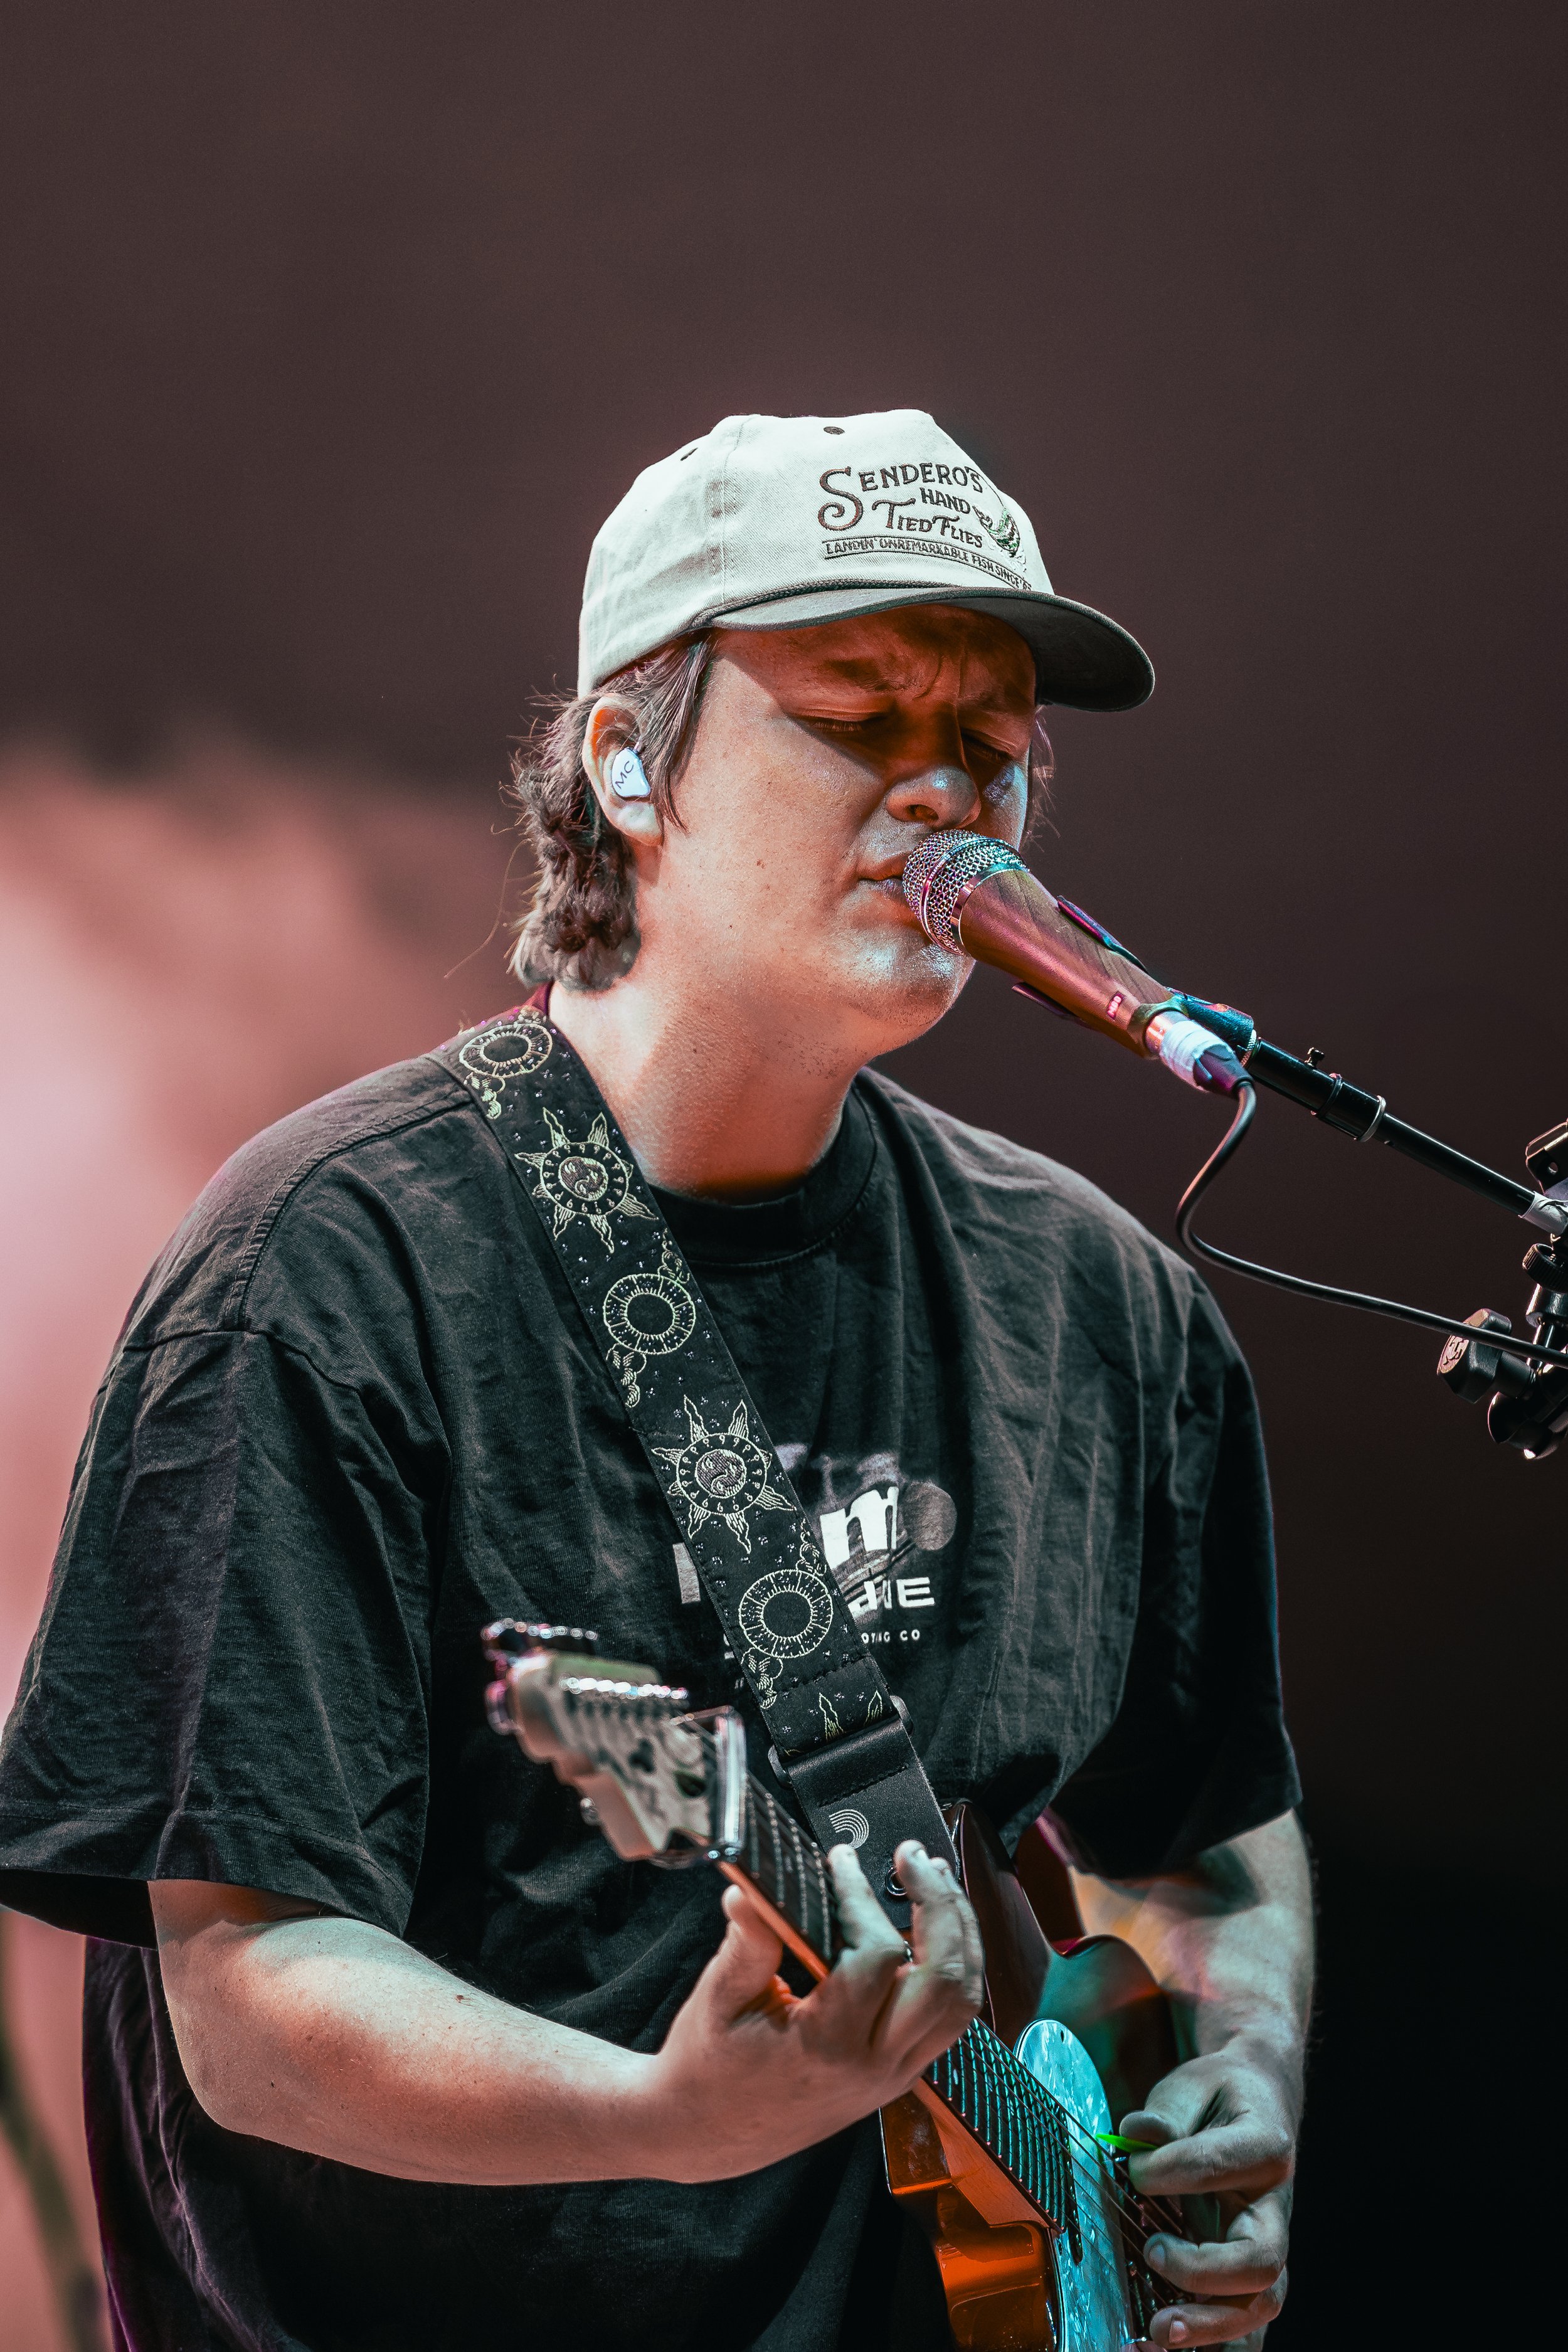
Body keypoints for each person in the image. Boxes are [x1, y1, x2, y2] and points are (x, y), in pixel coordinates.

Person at [0, 410, 1310, 2352]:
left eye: (991, 746)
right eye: (863, 720)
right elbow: (249, 2005)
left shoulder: (1095, 1300)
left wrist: (1241, 2082)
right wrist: (664, 2118)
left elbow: (1203, 1839)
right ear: (627, 757)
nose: (948, 797)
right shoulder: (328, 1268)